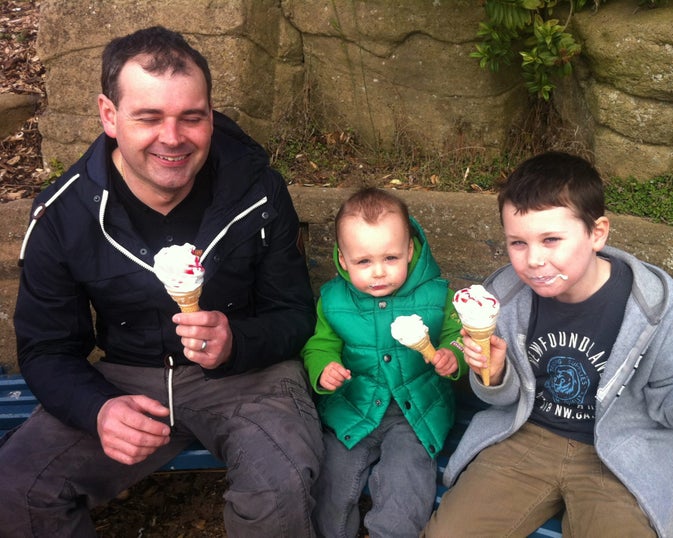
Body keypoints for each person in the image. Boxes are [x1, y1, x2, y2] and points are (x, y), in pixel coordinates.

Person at [0, 26, 324, 537]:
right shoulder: (65, 214)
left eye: (191, 118)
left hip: (249, 378)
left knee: (279, 483)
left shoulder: (256, 190)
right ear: (110, 116)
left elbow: (295, 313)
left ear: (209, 116)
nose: (172, 138)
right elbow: (45, 347)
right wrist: (97, 408)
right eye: (148, 118)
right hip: (127, 380)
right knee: (17, 490)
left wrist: (237, 340)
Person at [422, 151, 673, 537]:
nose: (533, 260)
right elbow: (501, 400)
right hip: (524, 437)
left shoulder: (656, 310)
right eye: (517, 243)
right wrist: (494, 376)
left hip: (620, 453)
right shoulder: (504, 298)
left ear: (597, 233)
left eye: (551, 239)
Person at [302, 187, 468, 537]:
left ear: (409, 251)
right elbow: (319, 345)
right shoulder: (333, 300)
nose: (378, 272)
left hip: (416, 412)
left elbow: (457, 333)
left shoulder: (437, 295)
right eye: (364, 262)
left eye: (390, 258)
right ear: (343, 260)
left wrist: (452, 355)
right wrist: (324, 369)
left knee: (405, 482)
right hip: (353, 406)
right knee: (331, 479)